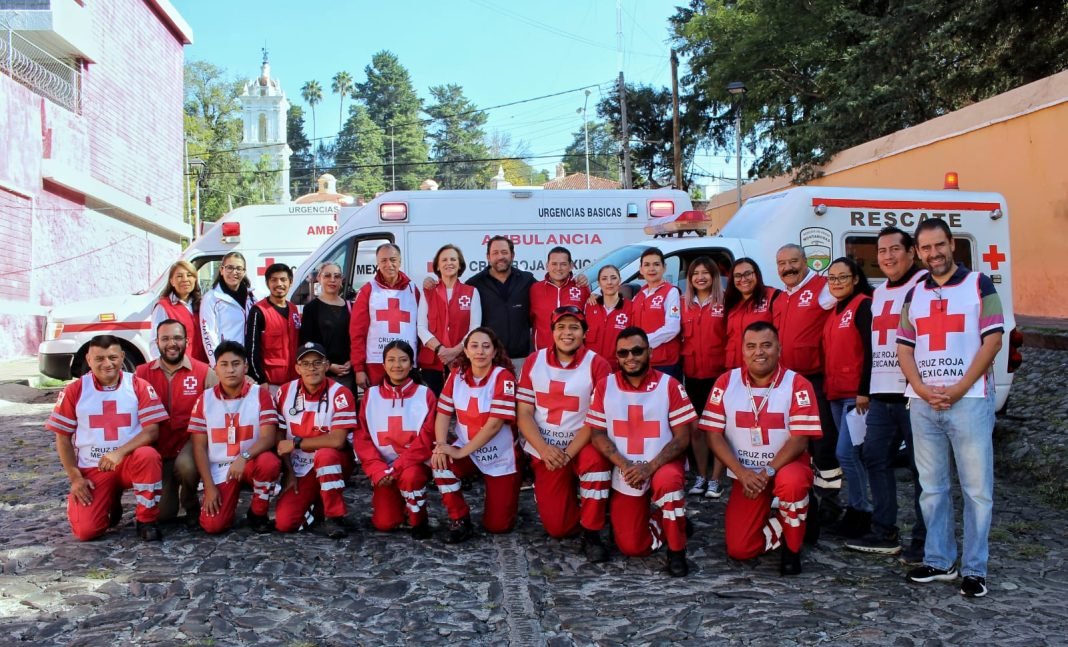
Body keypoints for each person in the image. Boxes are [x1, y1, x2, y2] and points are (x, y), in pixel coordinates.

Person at [898, 218, 1003, 598]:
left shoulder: (979, 284)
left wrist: (958, 389)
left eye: (938, 245)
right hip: (924, 404)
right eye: (925, 248)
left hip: (970, 400)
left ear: (952, 244)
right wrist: (923, 390)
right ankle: (940, 561)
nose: (933, 253)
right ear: (918, 251)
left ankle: (975, 569)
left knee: (977, 490)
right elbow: (904, 348)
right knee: (932, 488)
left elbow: (992, 341)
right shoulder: (915, 293)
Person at [700, 322, 822, 575]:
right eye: (751, 346)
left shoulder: (797, 384)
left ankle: (792, 547)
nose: (759, 352)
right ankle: (797, 518)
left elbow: (800, 440)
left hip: (784, 467)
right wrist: (742, 473)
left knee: (791, 483)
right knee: (740, 549)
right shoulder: (726, 381)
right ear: (742, 350)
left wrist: (767, 472)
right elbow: (713, 434)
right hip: (745, 475)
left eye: (766, 345)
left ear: (779, 348)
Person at [845, 226, 928, 561]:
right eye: (881, 251)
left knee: (923, 470)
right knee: (875, 457)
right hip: (881, 393)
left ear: (911, 252)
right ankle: (884, 530)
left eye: (895, 249)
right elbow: (871, 346)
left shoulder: (922, 286)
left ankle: (924, 540)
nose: (888, 256)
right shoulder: (878, 294)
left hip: (913, 394)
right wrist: (865, 388)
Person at [586, 327, 696, 577]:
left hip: (661, 464)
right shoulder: (605, 386)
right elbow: (597, 434)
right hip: (626, 468)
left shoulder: (670, 385)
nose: (630, 357)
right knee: (633, 547)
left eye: (637, 351)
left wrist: (649, 467)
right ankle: (665, 520)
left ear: (650, 352)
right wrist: (625, 465)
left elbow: (682, 438)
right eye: (623, 353)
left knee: (668, 482)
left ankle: (677, 550)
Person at [46, 335, 168, 541]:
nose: (107, 364)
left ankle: (146, 520)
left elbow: (152, 431)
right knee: (86, 532)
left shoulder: (138, 385)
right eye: (99, 358)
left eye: (112, 357)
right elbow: (63, 437)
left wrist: (119, 453)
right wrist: (76, 478)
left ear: (122, 357)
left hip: (129, 462)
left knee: (148, 455)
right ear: (88, 359)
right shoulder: (74, 390)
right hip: (94, 468)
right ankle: (111, 501)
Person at [516, 306, 613, 561]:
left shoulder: (598, 364)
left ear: (584, 333)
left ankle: (592, 532)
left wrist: (568, 454)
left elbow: (596, 419)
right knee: (558, 528)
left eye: (574, 327)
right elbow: (524, 412)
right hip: (545, 449)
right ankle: (596, 507)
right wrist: (545, 449)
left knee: (596, 461)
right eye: (560, 327)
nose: (566, 333)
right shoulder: (534, 361)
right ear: (552, 332)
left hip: (582, 445)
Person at [772, 244, 839, 531]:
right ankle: (800, 495)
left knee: (821, 442)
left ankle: (830, 501)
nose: (787, 268)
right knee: (792, 440)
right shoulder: (780, 298)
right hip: (785, 381)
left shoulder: (822, 288)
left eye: (793, 261)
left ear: (806, 261)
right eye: (781, 263)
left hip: (814, 379)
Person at [431, 327, 521, 543]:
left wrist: (460, 452)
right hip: (468, 450)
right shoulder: (456, 375)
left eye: (486, 346)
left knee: (498, 527)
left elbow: (494, 425)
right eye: (474, 346)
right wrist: (441, 445)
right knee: (440, 463)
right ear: (466, 351)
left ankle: (508, 496)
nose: (480, 351)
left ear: (494, 352)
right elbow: (443, 412)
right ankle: (460, 518)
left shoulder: (504, 377)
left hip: (500, 455)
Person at [188, 341, 281, 534]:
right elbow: (199, 447)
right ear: (215, 368)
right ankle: (225, 501)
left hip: (249, 461)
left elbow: (268, 438)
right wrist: (209, 486)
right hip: (220, 468)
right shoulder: (204, 399)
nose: (230, 370)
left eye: (236, 364)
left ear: (245, 367)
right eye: (224, 364)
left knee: (269, 463)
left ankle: (258, 512)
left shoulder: (260, 395)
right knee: (213, 526)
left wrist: (243, 457)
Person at [135, 319, 217, 526]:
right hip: (158, 448)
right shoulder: (141, 374)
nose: (172, 343)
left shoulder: (203, 371)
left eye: (177, 338)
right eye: (166, 338)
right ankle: (168, 496)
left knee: (188, 465)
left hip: (189, 444)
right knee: (163, 515)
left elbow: (226, 390)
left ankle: (190, 502)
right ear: (157, 342)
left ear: (187, 341)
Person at [274, 342, 358, 539]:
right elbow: (279, 438)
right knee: (285, 523)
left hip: (334, 460)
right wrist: (288, 472)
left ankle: (334, 516)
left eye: (317, 363)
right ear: (297, 367)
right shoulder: (284, 392)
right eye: (305, 363)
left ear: (327, 365)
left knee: (326, 455)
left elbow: (337, 441)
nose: (311, 368)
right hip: (299, 465)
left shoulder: (341, 394)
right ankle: (318, 504)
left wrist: (296, 443)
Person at [355, 340, 436, 539]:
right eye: (391, 360)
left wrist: (397, 467)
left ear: (412, 363)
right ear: (383, 365)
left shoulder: (424, 395)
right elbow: (361, 436)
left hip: (411, 465)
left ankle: (418, 518)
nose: (397, 365)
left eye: (403, 360)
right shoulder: (371, 396)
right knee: (385, 523)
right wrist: (376, 469)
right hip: (383, 467)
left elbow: (426, 438)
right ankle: (398, 503)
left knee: (411, 477)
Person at [822, 257, 874, 538]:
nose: (837, 283)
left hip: (855, 397)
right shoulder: (834, 310)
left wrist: (864, 390)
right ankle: (858, 507)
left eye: (843, 277)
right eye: (832, 278)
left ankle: (861, 511)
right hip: (835, 393)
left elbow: (870, 350)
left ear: (855, 279)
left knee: (847, 453)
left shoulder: (863, 305)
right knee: (850, 456)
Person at [680, 257, 729, 499]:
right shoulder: (683, 304)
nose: (700, 277)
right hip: (692, 375)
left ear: (714, 276)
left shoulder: (725, 302)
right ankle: (700, 475)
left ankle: (715, 479)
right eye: (695, 273)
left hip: (719, 375)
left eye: (705, 272)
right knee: (697, 428)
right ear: (689, 278)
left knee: (716, 429)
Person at [463, 236, 537, 373]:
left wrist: (580, 281)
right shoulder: (474, 284)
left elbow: (548, 294)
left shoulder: (527, 280)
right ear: (488, 257)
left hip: (522, 359)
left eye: (504, 252)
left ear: (512, 255)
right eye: (495, 253)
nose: (500, 257)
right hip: (489, 360)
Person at [350, 243, 419, 389]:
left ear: (400, 261)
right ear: (378, 263)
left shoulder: (413, 290)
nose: (389, 264)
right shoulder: (368, 290)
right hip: (376, 364)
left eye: (393, 260)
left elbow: (421, 328)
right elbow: (357, 333)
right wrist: (359, 369)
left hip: (407, 364)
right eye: (383, 260)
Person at [417, 244, 481, 396]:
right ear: (438, 266)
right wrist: (441, 349)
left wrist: (455, 351)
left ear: (460, 265)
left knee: (462, 403)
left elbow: (475, 327)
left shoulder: (471, 292)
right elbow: (420, 326)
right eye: (444, 260)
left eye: (453, 259)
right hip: (432, 361)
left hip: (462, 359)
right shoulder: (428, 292)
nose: (449, 263)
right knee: (434, 405)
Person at [299, 262, 355, 394]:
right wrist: (328, 366)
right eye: (327, 275)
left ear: (342, 280)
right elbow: (308, 343)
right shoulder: (311, 308)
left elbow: (357, 338)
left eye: (337, 276)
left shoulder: (351, 307)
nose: (332, 280)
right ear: (319, 278)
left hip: (348, 373)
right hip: (323, 374)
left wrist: (353, 360)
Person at [246, 262, 301, 392]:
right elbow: (252, 349)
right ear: (267, 283)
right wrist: (260, 380)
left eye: (283, 279)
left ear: (291, 282)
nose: (279, 284)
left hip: (295, 382)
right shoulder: (258, 311)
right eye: (274, 280)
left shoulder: (293, 309)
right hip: (271, 384)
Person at [629, 248, 682, 379]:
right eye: (647, 265)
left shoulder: (671, 292)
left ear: (664, 268)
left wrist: (643, 342)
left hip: (665, 363)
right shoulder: (638, 295)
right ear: (641, 270)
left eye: (656, 264)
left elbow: (672, 328)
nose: (651, 269)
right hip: (642, 361)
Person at [201, 251, 255, 367]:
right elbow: (208, 334)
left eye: (239, 268)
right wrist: (217, 364)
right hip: (227, 363)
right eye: (229, 268)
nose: (234, 272)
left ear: (244, 272)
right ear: (221, 270)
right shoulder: (211, 298)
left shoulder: (252, 297)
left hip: (248, 362)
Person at [529, 246, 590, 351]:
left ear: (571, 266)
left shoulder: (581, 288)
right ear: (547, 266)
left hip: (574, 353)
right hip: (543, 353)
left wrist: (596, 296)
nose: (558, 268)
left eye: (563, 264)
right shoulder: (535, 289)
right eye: (554, 264)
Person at [724, 258, 779, 370]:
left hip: (763, 367)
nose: (743, 279)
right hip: (735, 368)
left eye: (748, 273)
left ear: (757, 274)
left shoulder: (773, 296)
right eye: (738, 276)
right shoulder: (730, 302)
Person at [150, 260, 207, 363]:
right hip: (179, 367)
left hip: (203, 367)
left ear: (195, 279)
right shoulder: (163, 307)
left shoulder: (202, 304)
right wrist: (164, 368)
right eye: (179, 276)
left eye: (189, 275)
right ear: (172, 281)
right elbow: (155, 341)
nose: (185, 279)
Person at [584, 264, 632, 371]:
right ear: (599, 283)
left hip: (618, 370)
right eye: (604, 279)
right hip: (589, 368)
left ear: (620, 281)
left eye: (613, 278)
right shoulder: (589, 307)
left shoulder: (631, 308)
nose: (609, 282)